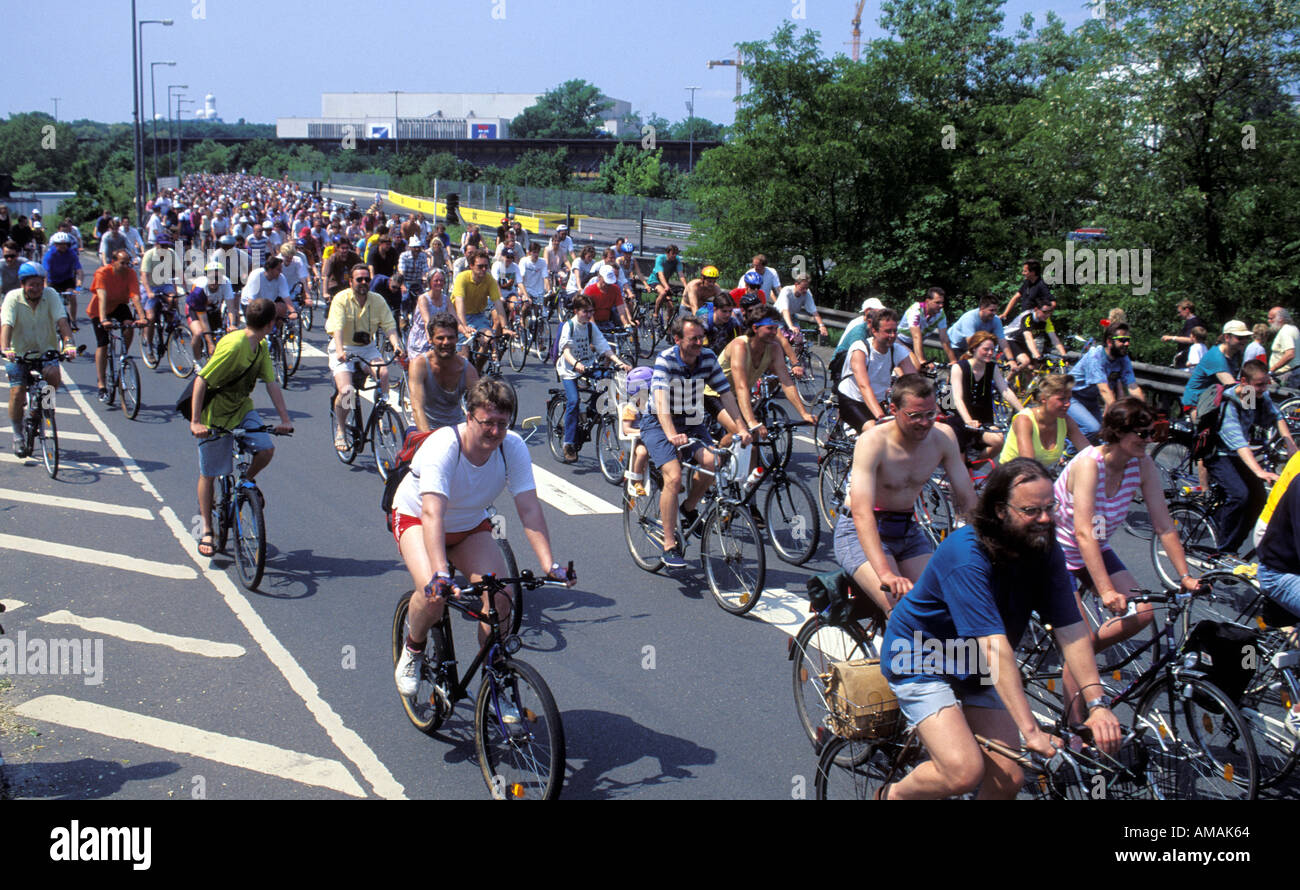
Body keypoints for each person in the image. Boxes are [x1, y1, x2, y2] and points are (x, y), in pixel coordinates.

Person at [878, 458, 1121, 799]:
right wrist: (1031, 730)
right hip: (922, 655)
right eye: (1031, 510)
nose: (1045, 519)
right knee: (963, 772)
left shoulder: (1043, 547)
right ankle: (893, 796)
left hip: (975, 663)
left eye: (1050, 508)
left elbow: (1072, 631)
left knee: (1008, 777)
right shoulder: (966, 554)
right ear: (1000, 511)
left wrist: (1097, 703)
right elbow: (993, 647)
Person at [392, 378, 574, 696]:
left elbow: (529, 509)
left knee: (501, 597)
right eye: (487, 422)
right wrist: (441, 572)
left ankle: (496, 681)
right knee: (434, 594)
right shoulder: (444, 446)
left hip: (469, 525)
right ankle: (413, 648)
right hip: (417, 519)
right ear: (468, 416)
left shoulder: (512, 447)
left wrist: (550, 565)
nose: (495, 431)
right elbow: (433, 513)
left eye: (502, 424)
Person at [1052, 398, 1202, 720]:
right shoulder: (1089, 464)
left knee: (1143, 613)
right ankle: (1073, 726)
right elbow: (1084, 533)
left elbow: (1163, 524)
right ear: (1119, 432)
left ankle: (1081, 658)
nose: (1150, 440)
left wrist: (1184, 576)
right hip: (1056, 552)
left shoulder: (1142, 464)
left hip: (1096, 548)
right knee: (1079, 644)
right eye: (1143, 433)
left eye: (1153, 433)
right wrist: (1106, 590)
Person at [836, 373, 977, 616]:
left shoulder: (943, 437)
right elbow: (861, 513)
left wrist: (992, 545)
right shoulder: (873, 442)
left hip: (906, 529)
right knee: (902, 610)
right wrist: (886, 573)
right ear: (894, 409)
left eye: (930, 414)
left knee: (943, 605)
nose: (924, 422)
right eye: (915, 416)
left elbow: (966, 495)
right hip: (859, 531)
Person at [640, 315, 751, 568]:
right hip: (659, 422)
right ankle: (669, 545)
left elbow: (726, 396)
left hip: (690, 420)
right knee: (674, 477)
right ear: (678, 339)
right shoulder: (666, 359)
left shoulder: (709, 357)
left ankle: (688, 509)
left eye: (702, 338)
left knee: (713, 461)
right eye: (693, 339)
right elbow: (659, 401)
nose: (699, 343)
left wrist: (742, 428)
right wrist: (670, 434)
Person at [188, 297, 293, 560]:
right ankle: (208, 531)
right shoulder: (234, 345)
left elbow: (271, 383)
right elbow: (201, 380)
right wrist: (196, 421)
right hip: (216, 416)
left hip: (242, 408)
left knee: (266, 449)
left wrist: (285, 419)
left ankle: (246, 483)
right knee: (210, 473)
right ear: (270, 324)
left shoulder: (260, 345)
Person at [1202, 359, 1298, 554]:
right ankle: (1221, 548)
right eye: (1260, 384)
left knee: (1259, 499)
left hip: (1238, 455)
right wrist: (1259, 472)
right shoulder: (1228, 404)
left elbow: (1276, 416)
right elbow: (1240, 444)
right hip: (1219, 455)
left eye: (1266, 383)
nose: (1265, 388)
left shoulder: (1250, 395)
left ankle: (1232, 547)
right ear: (1244, 381)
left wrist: (1289, 442)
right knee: (1239, 495)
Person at [1, 263, 77, 455]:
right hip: (18, 352)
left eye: (39, 284)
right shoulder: (12, 298)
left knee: (53, 376)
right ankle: (18, 436)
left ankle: (41, 411)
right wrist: (5, 348)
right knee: (17, 392)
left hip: (45, 350)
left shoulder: (50, 294)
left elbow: (62, 321)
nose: (35, 288)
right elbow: (7, 325)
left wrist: (68, 344)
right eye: (31, 285)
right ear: (23, 284)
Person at [327, 264, 405, 450]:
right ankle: (340, 428)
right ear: (351, 281)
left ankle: (381, 411)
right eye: (359, 279)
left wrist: (396, 345)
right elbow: (336, 326)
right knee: (347, 391)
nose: (363, 283)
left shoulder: (377, 300)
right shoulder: (341, 299)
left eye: (366, 279)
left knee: (383, 373)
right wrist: (339, 350)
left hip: (367, 348)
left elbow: (389, 326)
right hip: (344, 347)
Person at [555, 294, 632, 462]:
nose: (589, 315)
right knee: (573, 401)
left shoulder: (590, 327)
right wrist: (576, 364)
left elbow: (604, 347)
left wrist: (620, 363)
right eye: (585, 311)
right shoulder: (569, 326)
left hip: (589, 366)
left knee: (607, 383)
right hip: (569, 369)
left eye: (591, 311)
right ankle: (568, 443)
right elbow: (566, 351)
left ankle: (588, 412)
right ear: (576, 311)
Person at [836, 308, 918, 433]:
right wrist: (881, 417)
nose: (892, 336)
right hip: (853, 399)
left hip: (878, 399)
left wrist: (935, 411)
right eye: (888, 331)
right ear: (874, 331)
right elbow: (864, 386)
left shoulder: (896, 349)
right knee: (876, 433)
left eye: (895, 331)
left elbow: (915, 384)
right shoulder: (860, 349)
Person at [945, 331, 1023, 459]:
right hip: (960, 418)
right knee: (960, 457)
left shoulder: (992, 367)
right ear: (974, 348)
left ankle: (975, 470)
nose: (990, 353)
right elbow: (957, 398)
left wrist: (1023, 411)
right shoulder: (959, 367)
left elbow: (1005, 390)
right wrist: (968, 420)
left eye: (993, 350)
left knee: (998, 441)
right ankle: (964, 471)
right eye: (986, 349)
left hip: (983, 420)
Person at [1066, 322, 1144, 441]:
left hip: (1090, 399)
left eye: (1128, 340)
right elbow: (1104, 390)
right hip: (1071, 396)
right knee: (1093, 429)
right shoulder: (1095, 356)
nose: (1127, 343)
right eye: (1122, 340)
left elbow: (1133, 387)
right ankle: (1067, 456)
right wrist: (1120, 415)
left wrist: (1145, 412)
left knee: (1103, 435)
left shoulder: (1123, 358)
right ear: (1109, 341)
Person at [88, 249, 146, 400]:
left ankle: (123, 357)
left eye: (128, 263)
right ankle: (101, 384)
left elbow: (135, 296)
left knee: (129, 325)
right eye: (122, 263)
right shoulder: (103, 272)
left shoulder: (131, 273)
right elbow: (102, 296)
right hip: (100, 309)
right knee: (103, 343)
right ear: (113, 262)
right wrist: (103, 319)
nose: (126, 266)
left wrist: (142, 317)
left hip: (119, 305)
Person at [999, 373, 1090, 469]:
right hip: (1010, 475)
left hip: (1038, 477)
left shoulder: (1065, 421)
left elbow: (1088, 452)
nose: (1068, 404)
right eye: (1062, 399)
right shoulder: (1024, 420)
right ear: (1044, 398)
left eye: (1069, 399)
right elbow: (1028, 464)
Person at [407, 311, 478, 433]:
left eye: (450, 337)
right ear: (430, 339)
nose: (446, 342)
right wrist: (428, 438)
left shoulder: (467, 369)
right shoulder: (419, 365)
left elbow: (480, 406)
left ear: (456, 339)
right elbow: (417, 408)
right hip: (425, 428)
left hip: (456, 427)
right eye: (440, 338)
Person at [1181, 320, 1249, 414]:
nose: (1245, 341)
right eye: (1240, 338)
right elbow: (1232, 386)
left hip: (1213, 399)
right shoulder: (1216, 357)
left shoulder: (1236, 354)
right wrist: (1252, 403)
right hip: (1197, 403)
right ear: (1227, 337)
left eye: (1247, 337)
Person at [450, 248, 504, 361]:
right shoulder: (462, 278)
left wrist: (505, 327)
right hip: (459, 317)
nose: (484, 269)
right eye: (480, 266)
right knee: (463, 357)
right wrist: (464, 327)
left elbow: (498, 303)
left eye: (486, 266)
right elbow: (459, 303)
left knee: (489, 339)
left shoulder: (489, 279)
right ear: (471, 266)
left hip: (478, 315)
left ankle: (477, 372)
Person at [140, 232, 182, 357]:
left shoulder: (171, 254)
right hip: (151, 285)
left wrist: (181, 287)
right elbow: (144, 276)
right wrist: (149, 292)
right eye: (162, 246)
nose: (164, 249)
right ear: (156, 245)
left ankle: (169, 320)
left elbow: (179, 271)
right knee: (151, 318)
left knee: (173, 299)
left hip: (165, 284)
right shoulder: (149, 255)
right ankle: (149, 347)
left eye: (166, 246)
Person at [898, 286, 956, 367]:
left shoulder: (941, 314)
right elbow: (916, 337)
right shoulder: (915, 310)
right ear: (927, 301)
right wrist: (922, 360)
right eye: (937, 302)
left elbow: (944, 339)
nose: (941, 305)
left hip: (915, 344)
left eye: (942, 303)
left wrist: (953, 361)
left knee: (927, 370)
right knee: (917, 366)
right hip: (900, 341)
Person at [1004, 302, 1064, 371]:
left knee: (1033, 369)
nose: (1047, 315)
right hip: (1011, 339)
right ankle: (1006, 381)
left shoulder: (1046, 321)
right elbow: (1029, 338)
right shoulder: (1028, 318)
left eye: (1050, 312)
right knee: (1025, 361)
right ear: (1036, 309)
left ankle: (1025, 381)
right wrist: (1037, 355)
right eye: (1044, 312)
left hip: (1023, 343)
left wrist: (1064, 355)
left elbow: (1055, 339)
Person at [406, 268, 452, 356]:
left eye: (441, 280)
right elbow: (427, 321)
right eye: (436, 280)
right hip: (422, 338)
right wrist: (430, 337)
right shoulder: (423, 299)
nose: (439, 283)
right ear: (429, 282)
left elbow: (454, 318)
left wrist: (466, 332)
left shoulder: (446, 299)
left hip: (439, 336)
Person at [41, 231, 83, 328]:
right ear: (55, 244)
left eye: (65, 244)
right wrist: (45, 285)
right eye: (60, 244)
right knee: (49, 300)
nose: (63, 246)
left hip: (67, 280)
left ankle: (73, 319)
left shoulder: (71, 253)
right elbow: (45, 272)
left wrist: (79, 283)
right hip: (53, 281)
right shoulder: (49, 255)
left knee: (72, 296)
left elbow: (79, 270)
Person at [774, 276, 829, 341]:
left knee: (799, 339)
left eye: (807, 288)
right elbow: (785, 311)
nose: (805, 290)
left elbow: (814, 311)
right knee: (784, 340)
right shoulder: (786, 290)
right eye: (803, 288)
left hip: (791, 317)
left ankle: (798, 350)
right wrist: (791, 326)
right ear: (796, 284)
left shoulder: (807, 293)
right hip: (777, 318)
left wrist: (821, 326)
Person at [582, 266, 633, 331]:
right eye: (605, 283)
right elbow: (588, 313)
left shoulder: (615, 289)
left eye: (610, 283)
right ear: (599, 277)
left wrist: (626, 324)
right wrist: (595, 330)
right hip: (591, 321)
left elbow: (621, 310)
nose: (607, 286)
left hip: (606, 322)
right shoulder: (590, 290)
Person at [1160, 299, 1206, 368]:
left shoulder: (1192, 322)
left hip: (1187, 362)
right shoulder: (1196, 321)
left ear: (1187, 310)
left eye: (1180, 312)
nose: (1179, 315)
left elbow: (1191, 339)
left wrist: (1171, 338)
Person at [649, 244, 688, 318]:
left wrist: (686, 286)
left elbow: (681, 274)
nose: (675, 255)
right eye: (673, 253)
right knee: (663, 293)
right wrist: (666, 286)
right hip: (654, 281)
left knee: (671, 307)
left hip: (664, 283)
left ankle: (668, 328)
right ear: (667, 253)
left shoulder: (677, 260)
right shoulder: (660, 258)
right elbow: (660, 275)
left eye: (676, 254)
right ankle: (655, 315)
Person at [1267, 306, 1300, 387]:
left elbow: (1290, 354)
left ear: (1280, 319)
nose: (1269, 321)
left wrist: (1272, 370)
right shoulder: (1293, 328)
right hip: (1293, 373)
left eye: (1271, 318)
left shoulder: (1285, 331)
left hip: (1287, 376)